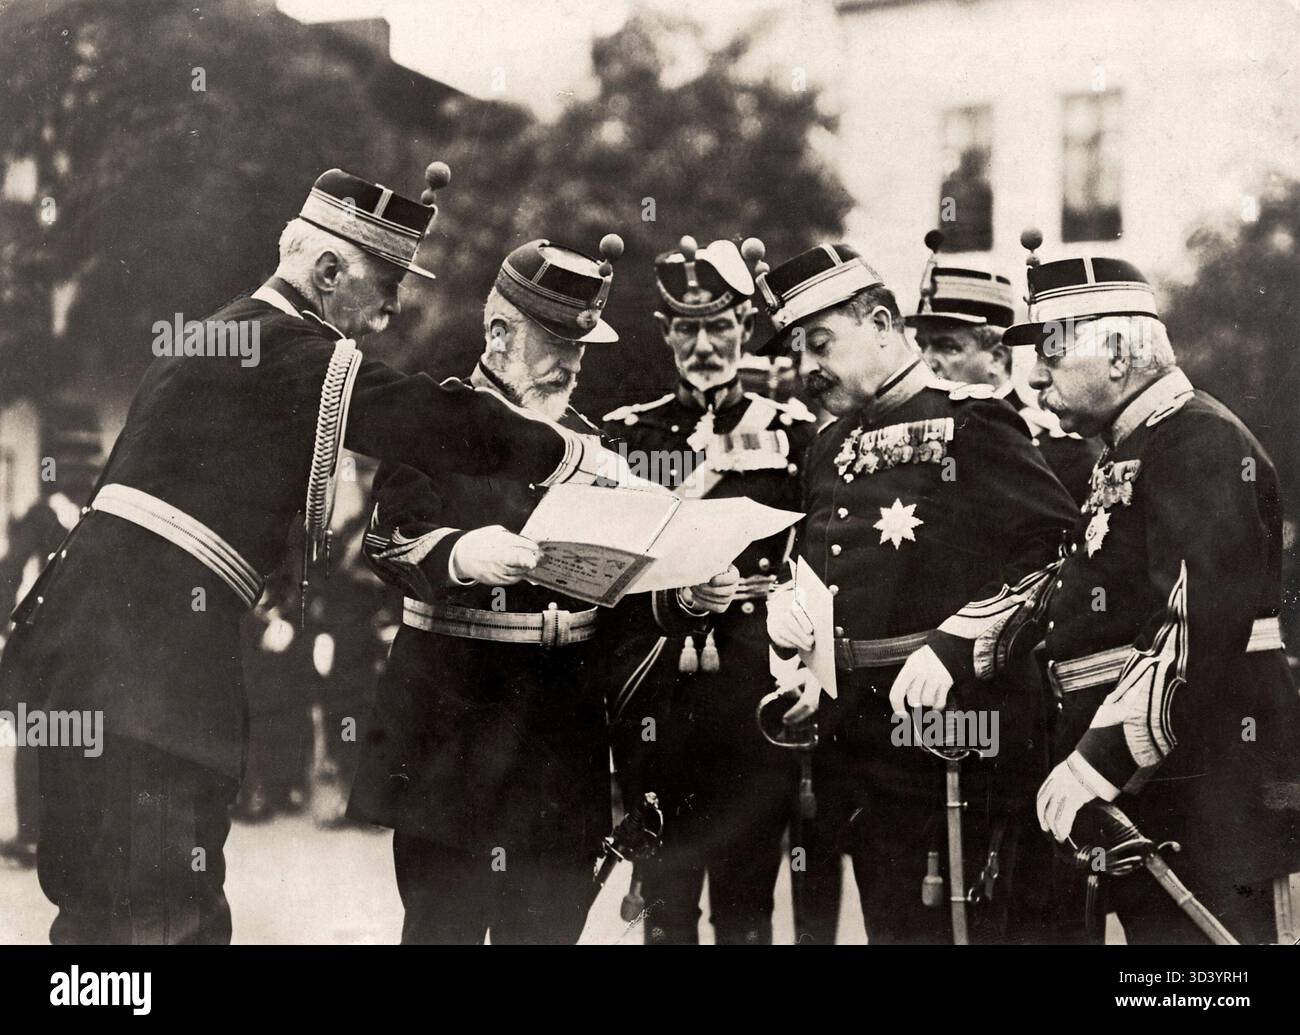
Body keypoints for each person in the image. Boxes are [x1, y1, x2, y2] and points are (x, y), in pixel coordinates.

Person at [0, 164, 638, 945]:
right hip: (149, 677)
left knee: (103, 919)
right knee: (159, 918)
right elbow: (423, 419)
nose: (391, 312)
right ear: (329, 271)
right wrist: (568, 453)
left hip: (96, 664)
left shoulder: (222, 334)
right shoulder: (290, 347)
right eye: (388, 285)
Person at [897, 242, 1300, 943]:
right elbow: (1079, 578)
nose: (1037, 375)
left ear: (1118, 353)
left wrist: (1099, 761)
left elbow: (1197, 620)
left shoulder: (1199, 440)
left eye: (1051, 351)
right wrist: (961, 639)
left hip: (1207, 792)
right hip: (1155, 792)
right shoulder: (1133, 447)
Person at [347, 236, 739, 944]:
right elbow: (384, 540)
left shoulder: (591, 446)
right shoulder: (439, 416)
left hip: (562, 739)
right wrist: (461, 552)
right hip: (453, 732)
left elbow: (617, 587)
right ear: (499, 333)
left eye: (582, 345)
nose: (574, 361)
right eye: (558, 339)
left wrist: (685, 597)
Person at [759, 242, 1078, 943]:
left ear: (880, 323)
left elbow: (1056, 547)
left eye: (821, 343)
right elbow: (823, 567)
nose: (807, 369)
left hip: (952, 733)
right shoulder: (826, 442)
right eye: (797, 353)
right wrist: (798, 630)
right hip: (857, 741)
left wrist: (959, 642)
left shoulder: (972, 421)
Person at [601, 236, 816, 944]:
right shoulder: (627, 435)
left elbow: (809, 566)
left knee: (748, 909)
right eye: (687, 329)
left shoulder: (793, 436)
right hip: (660, 698)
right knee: (664, 914)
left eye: (720, 326)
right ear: (665, 333)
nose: (703, 345)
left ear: (746, 329)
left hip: (753, 692)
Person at [908, 230, 1101, 505]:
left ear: (997, 359)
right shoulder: (913, 434)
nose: (927, 360)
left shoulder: (1059, 453)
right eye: (921, 345)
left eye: (948, 347)